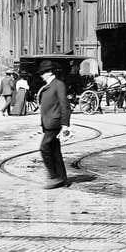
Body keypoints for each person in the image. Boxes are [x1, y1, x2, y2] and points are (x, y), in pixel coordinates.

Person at [36, 61, 72, 189]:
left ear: (49, 72)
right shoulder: (47, 86)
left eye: (42, 73)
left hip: (55, 123)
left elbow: (64, 105)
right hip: (48, 124)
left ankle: (53, 176)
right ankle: (62, 178)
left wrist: (65, 124)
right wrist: (42, 125)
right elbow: (44, 107)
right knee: (55, 151)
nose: (41, 75)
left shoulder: (58, 85)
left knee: (44, 148)